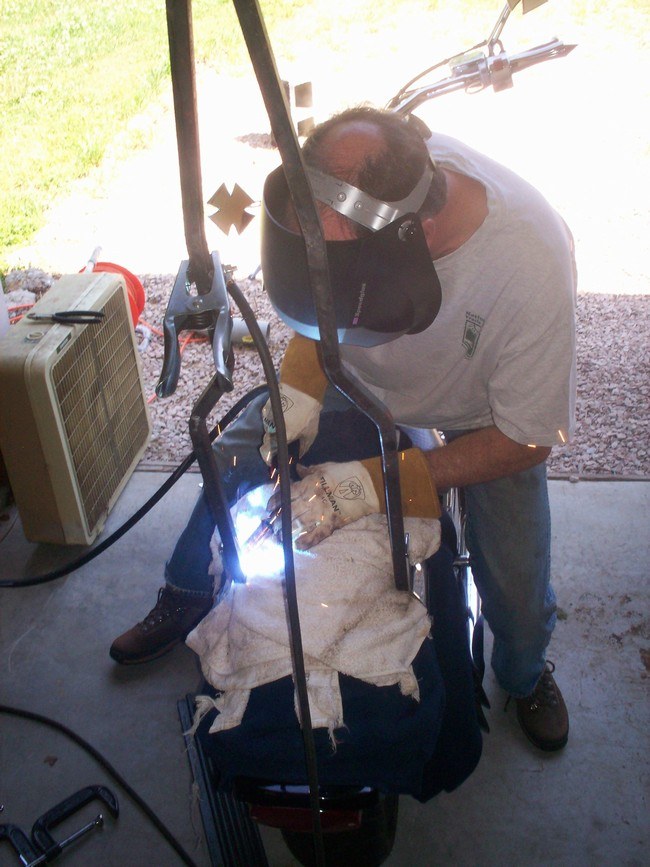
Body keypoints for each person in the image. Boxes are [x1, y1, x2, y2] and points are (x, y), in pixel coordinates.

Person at [110, 106, 576, 752]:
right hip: (352, 365)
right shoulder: (359, 175)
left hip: (482, 413)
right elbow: (310, 302)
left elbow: (529, 436)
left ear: (414, 237)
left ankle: (525, 672)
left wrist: (382, 482)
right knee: (236, 458)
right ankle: (190, 587)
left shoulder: (529, 262)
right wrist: (300, 386)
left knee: (516, 577)